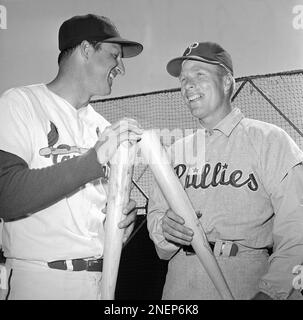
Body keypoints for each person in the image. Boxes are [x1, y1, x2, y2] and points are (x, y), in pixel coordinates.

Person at [0, 13, 144, 300]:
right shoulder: (20, 103)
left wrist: (117, 221)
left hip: (101, 282)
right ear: (86, 49)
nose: (121, 68)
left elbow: (91, 217)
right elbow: (6, 195)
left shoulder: (102, 127)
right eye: (114, 54)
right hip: (40, 281)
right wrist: (93, 160)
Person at [147, 41, 303, 300]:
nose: (188, 85)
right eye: (183, 79)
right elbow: (158, 233)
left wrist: (272, 292)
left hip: (245, 282)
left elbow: (297, 230)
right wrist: (165, 229)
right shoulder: (174, 152)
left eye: (199, 75)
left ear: (228, 81)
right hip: (179, 285)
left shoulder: (270, 140)